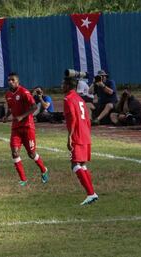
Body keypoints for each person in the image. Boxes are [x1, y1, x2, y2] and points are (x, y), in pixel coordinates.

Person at [3, 72, 49, 186]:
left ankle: (44, 170)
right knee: (14, 152)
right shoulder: (8, 94)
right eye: (9, 80)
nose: (10, 82)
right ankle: (23, 179)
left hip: (28, 127)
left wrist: (22, 116)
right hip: (16, 128)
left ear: (18, 81)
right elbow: (10, 107)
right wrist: (6, 116)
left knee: (32, 154)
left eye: (13, 80)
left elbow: (33, 107)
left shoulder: (24, 92)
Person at [62, 77, 98, 205]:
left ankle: (90, 193)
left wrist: (70, 136)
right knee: (82, 164)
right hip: (85, 133)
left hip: (77, 135)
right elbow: (87, 119)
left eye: (63, 84)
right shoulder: (80, 99)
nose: (61, 86)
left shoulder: (68, 99)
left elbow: (72, 118)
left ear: (67, 85)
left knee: (75, 164)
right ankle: (92, 193)